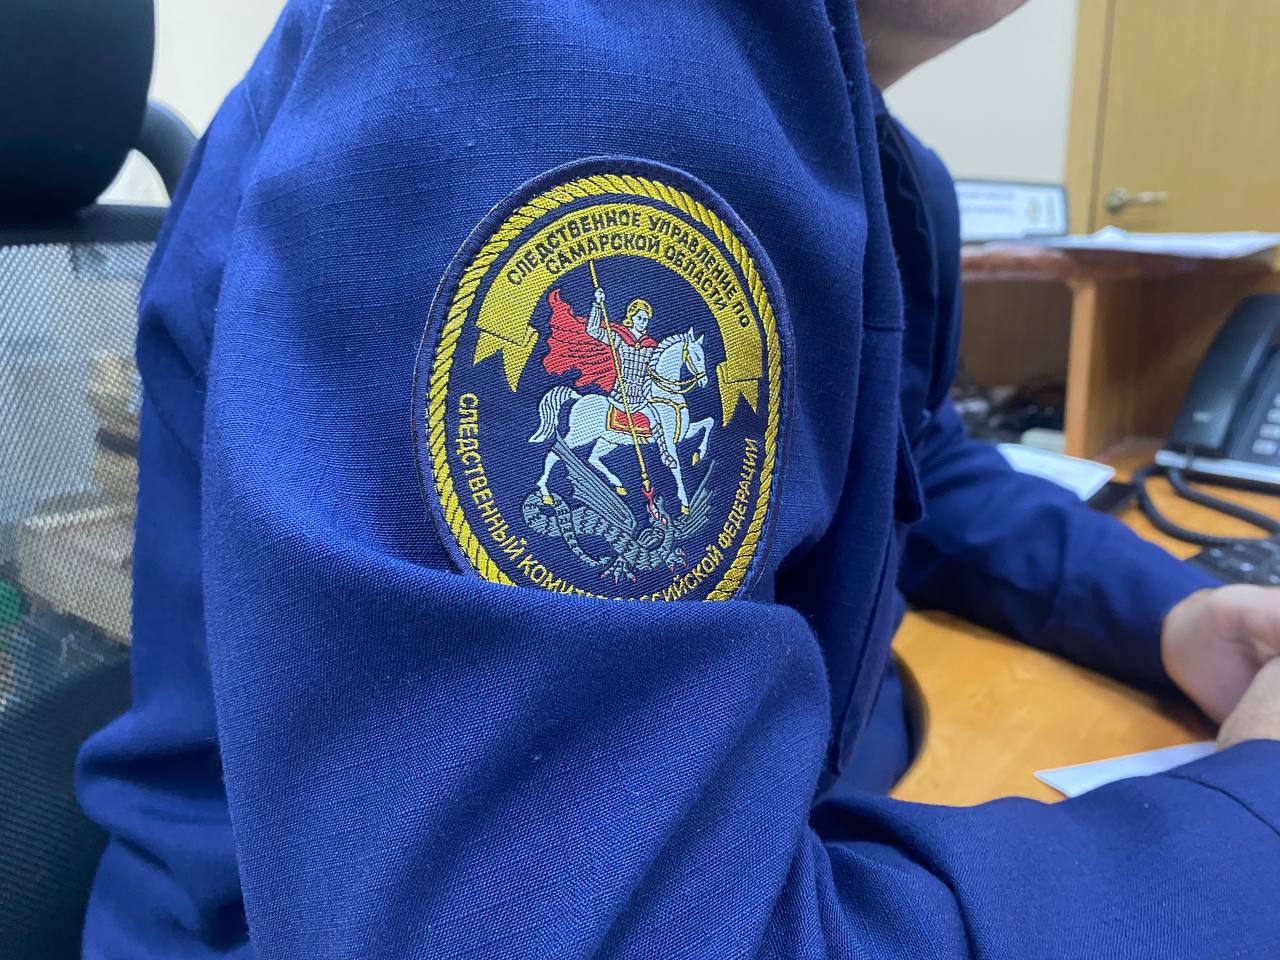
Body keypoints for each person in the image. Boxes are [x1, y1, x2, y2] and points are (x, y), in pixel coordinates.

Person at [75, 1, 1279, 957]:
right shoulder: (558, 46)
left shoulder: (882, 171)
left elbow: (924, 463)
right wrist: (1248, 828)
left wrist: (1171, 616)